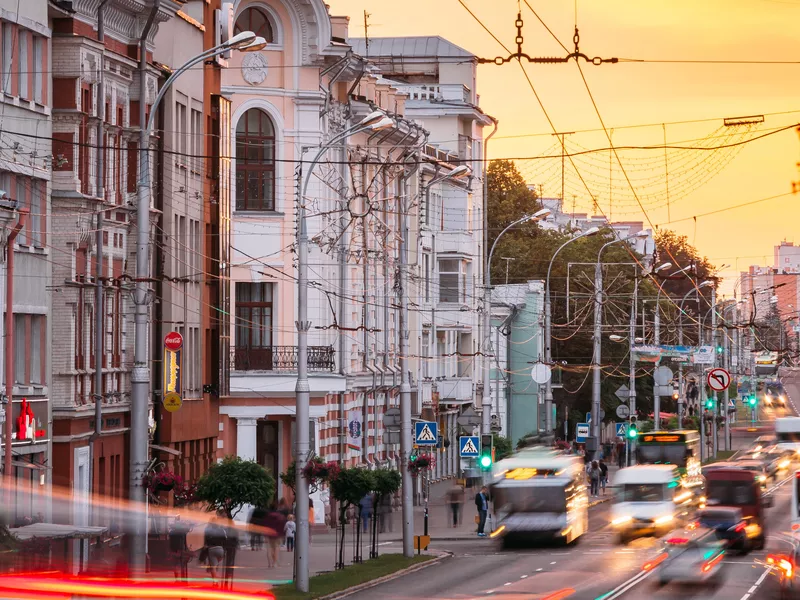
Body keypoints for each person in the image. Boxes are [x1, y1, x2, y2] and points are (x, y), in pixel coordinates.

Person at [203, 517, 227, 584]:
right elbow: (225, 540)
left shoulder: (207, 530)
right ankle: (215, 565)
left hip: (212, 549)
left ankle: (215, 582)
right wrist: (224, 550)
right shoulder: (222, 530)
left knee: (213, 567)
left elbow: (205, 541)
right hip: (220, 549)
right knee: (217, 562)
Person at [169, 516, 192, 581]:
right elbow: (185, 541)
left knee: (175, 565)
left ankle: (177, 579)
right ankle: (183, 579)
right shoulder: (182, 533)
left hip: (174, 550)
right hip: (181, 549)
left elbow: (171, 542)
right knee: (182, 564)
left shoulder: (171, 533)